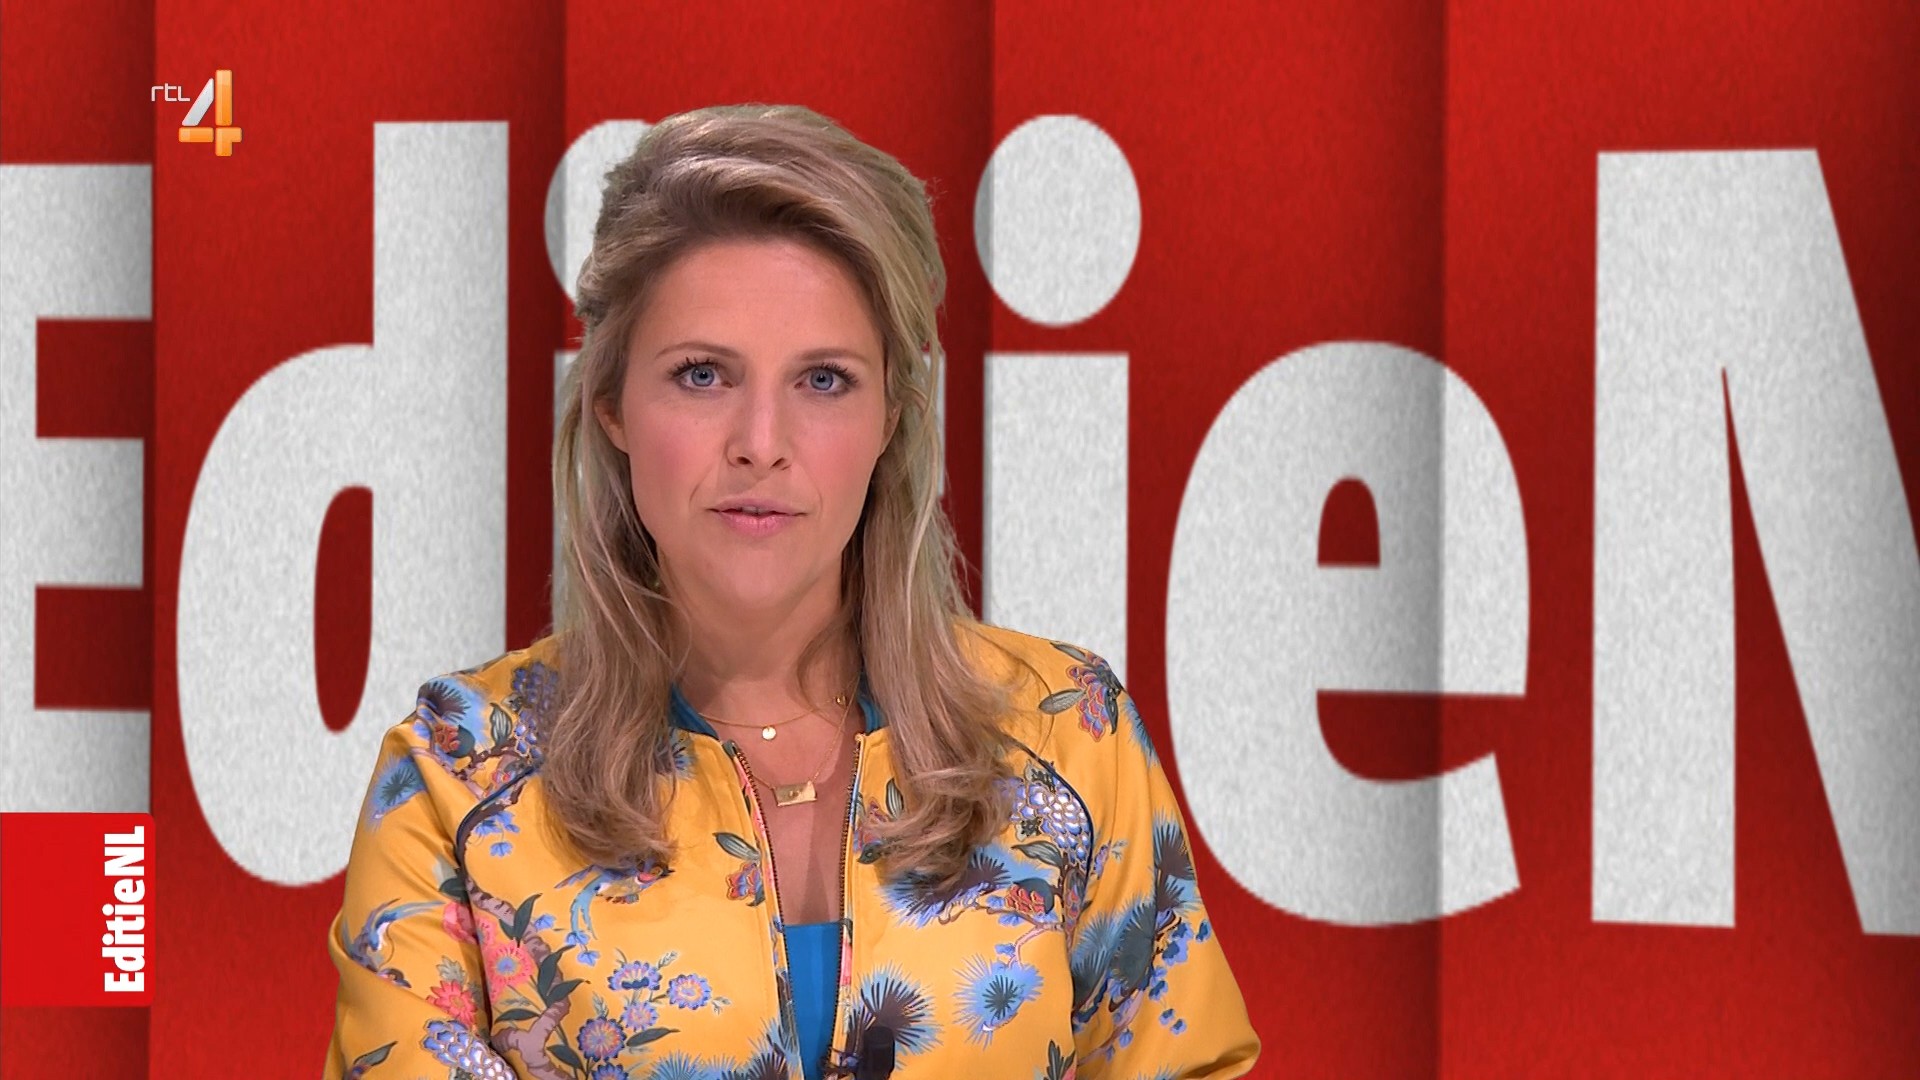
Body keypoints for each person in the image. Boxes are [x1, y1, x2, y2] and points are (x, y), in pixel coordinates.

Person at [323, 102, 1259, 1080]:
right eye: (701, 375)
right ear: (611, 404)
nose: (761, 442)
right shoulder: (456, 778)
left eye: (823, 380)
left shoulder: (1068, 734)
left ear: (892, 412)